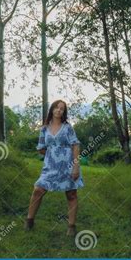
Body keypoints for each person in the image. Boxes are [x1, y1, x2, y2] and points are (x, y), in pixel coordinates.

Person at [24, 100, 84, 236]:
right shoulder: (44, 129)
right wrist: (53, 155)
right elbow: (40, 148)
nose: (59, 110)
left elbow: (75, 146)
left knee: (71, 194)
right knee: (38, 189)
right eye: (57, 107)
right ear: (52, 109)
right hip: (50, 167)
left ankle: (71, 226)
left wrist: (75, 166)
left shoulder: (68, 127)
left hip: (68, 165)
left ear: (64, 112)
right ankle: (29, 220)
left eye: (62, 109)